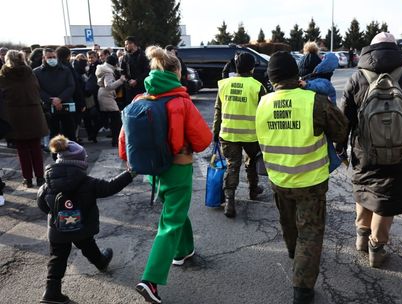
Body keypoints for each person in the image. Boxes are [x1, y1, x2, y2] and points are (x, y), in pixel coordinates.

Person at [118, 46, 212, 304]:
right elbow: (203, 140)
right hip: (178, 168)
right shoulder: (181, 102)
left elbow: (123, 140)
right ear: (176, 72)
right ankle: (150, 280)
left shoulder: (139, 99)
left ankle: (184, 251)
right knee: (170, 221)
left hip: (152, 170)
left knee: (174, 210)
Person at [255, 51, 348, 304]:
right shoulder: (313, 101)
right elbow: (341, 129)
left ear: (272, 78)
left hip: (279, 179)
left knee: (288, 222)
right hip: (310, 181)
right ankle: (302, 288)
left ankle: (296, 255)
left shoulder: (263, 103)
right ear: (295, 73)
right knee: (310, 231)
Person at [338, 32, 402, 268]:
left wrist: (340, 148)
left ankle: (361, 236)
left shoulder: (358, 76)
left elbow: (344, 119)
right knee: (386, 198)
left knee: (365, 189)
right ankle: (376, 248)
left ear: (370, 50)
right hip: (400, 152)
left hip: (365, 150)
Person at [37, 135, 134, 304]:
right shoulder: (88, 182)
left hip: (58, 229)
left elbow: (42, 204)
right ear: (80, 163)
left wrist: (55, 214)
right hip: (81, 228)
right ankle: (100, 262)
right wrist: (129, 174)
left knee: (57, 257)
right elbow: (110, 187)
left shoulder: (48, 183)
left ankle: (51, 292)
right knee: (87, 244)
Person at [213, 53, 266, 218]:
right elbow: (264, 114)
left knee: (232, 165)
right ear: (252, 68)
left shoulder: (224, 84)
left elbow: (218, 111)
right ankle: (253, 190)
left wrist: (215, 133)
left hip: (228, 134)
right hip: (251, 135)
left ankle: (229, 201)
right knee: (251, 162)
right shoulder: (257, 87)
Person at [0, 50, 49, 188]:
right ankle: (40, 177)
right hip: (34, 113)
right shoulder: (30, 73)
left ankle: (27, 179)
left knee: (22, 149)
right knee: (35, 147)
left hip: (15, 115)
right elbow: (36, 88)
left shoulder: (4, 75)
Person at [33, 48, 76, 140]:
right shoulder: (36, 72)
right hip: (48, 107)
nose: (52, 59)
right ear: (44, 58)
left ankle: (72, 153)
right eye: (49, 57)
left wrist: (60, 99)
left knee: (70, 133)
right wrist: (51, 100)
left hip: (65, 105)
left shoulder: (65, 70)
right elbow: (37, 89)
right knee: (53, 134)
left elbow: (71, 86)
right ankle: (55, 154)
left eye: (54, 57)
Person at [96, 55, 126, 147]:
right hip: (107, 95)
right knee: (116, 119)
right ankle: (115, 140)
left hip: (103, 94)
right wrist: (121, 80)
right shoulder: (108, 72)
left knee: (104, 117)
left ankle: (92, 134)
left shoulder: (103, 68)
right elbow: (109, 86)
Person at [121, 36, 150, 103]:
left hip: (141, 88)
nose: (125, 46)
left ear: (133, 44)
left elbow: (147, 71)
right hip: (129, 89)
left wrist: (136, 80)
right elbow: (122, 71)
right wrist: (128, 80)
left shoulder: (143, 56)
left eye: (127, 44)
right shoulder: (125, 57)